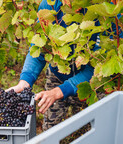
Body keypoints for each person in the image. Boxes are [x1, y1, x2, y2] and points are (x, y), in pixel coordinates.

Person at [8, 0, 99, 131]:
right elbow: (39, 49)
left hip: (90, 83)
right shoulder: (48, 6)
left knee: (86, 131)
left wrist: (60, 91)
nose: (68, 3)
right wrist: (25, 82)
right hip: (57, 76)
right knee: (50, 130)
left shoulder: (101, 12)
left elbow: (96, 67)